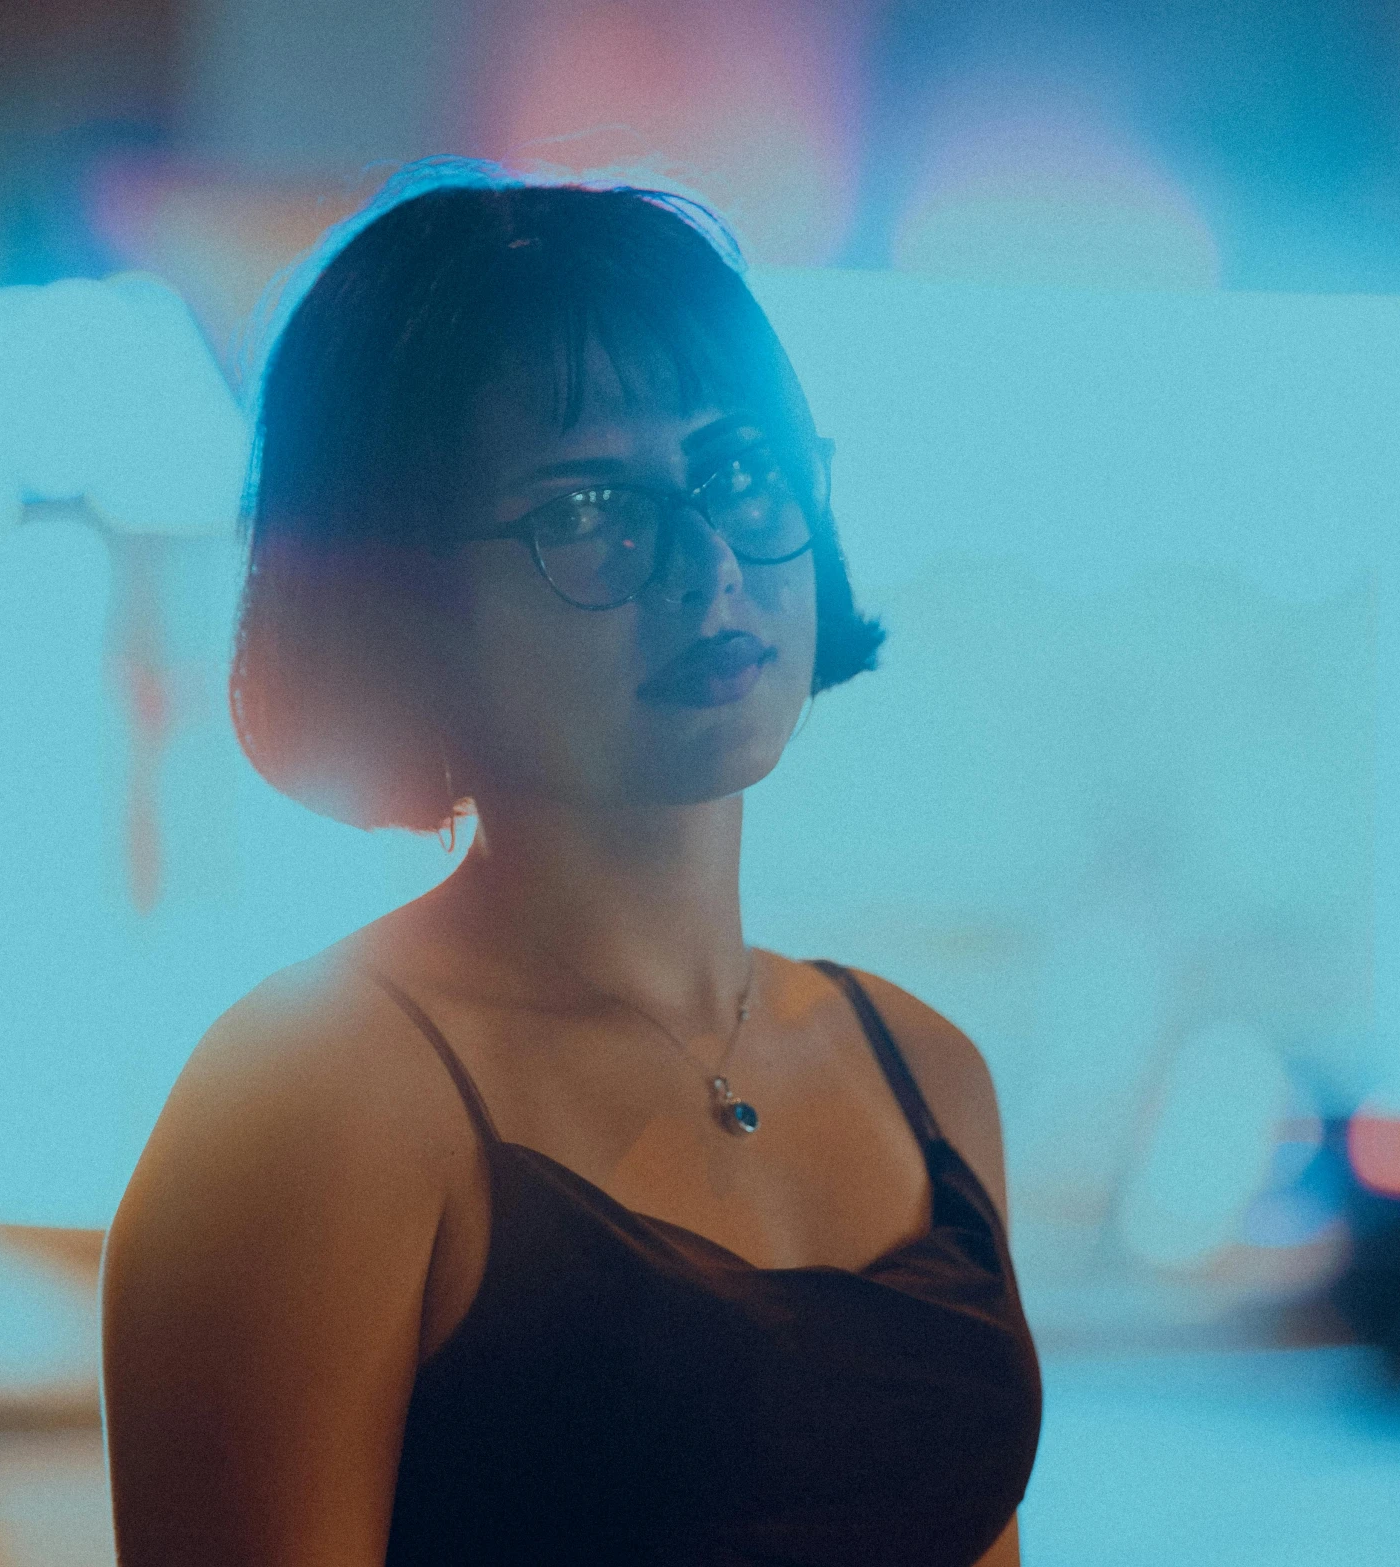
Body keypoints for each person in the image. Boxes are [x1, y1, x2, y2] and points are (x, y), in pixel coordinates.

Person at [101, 159, 1042, 1567]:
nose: (706, 559)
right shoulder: (318, 1097)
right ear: (396, 596)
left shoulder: (925, 1074)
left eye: (736, 469)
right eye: (584, 511)